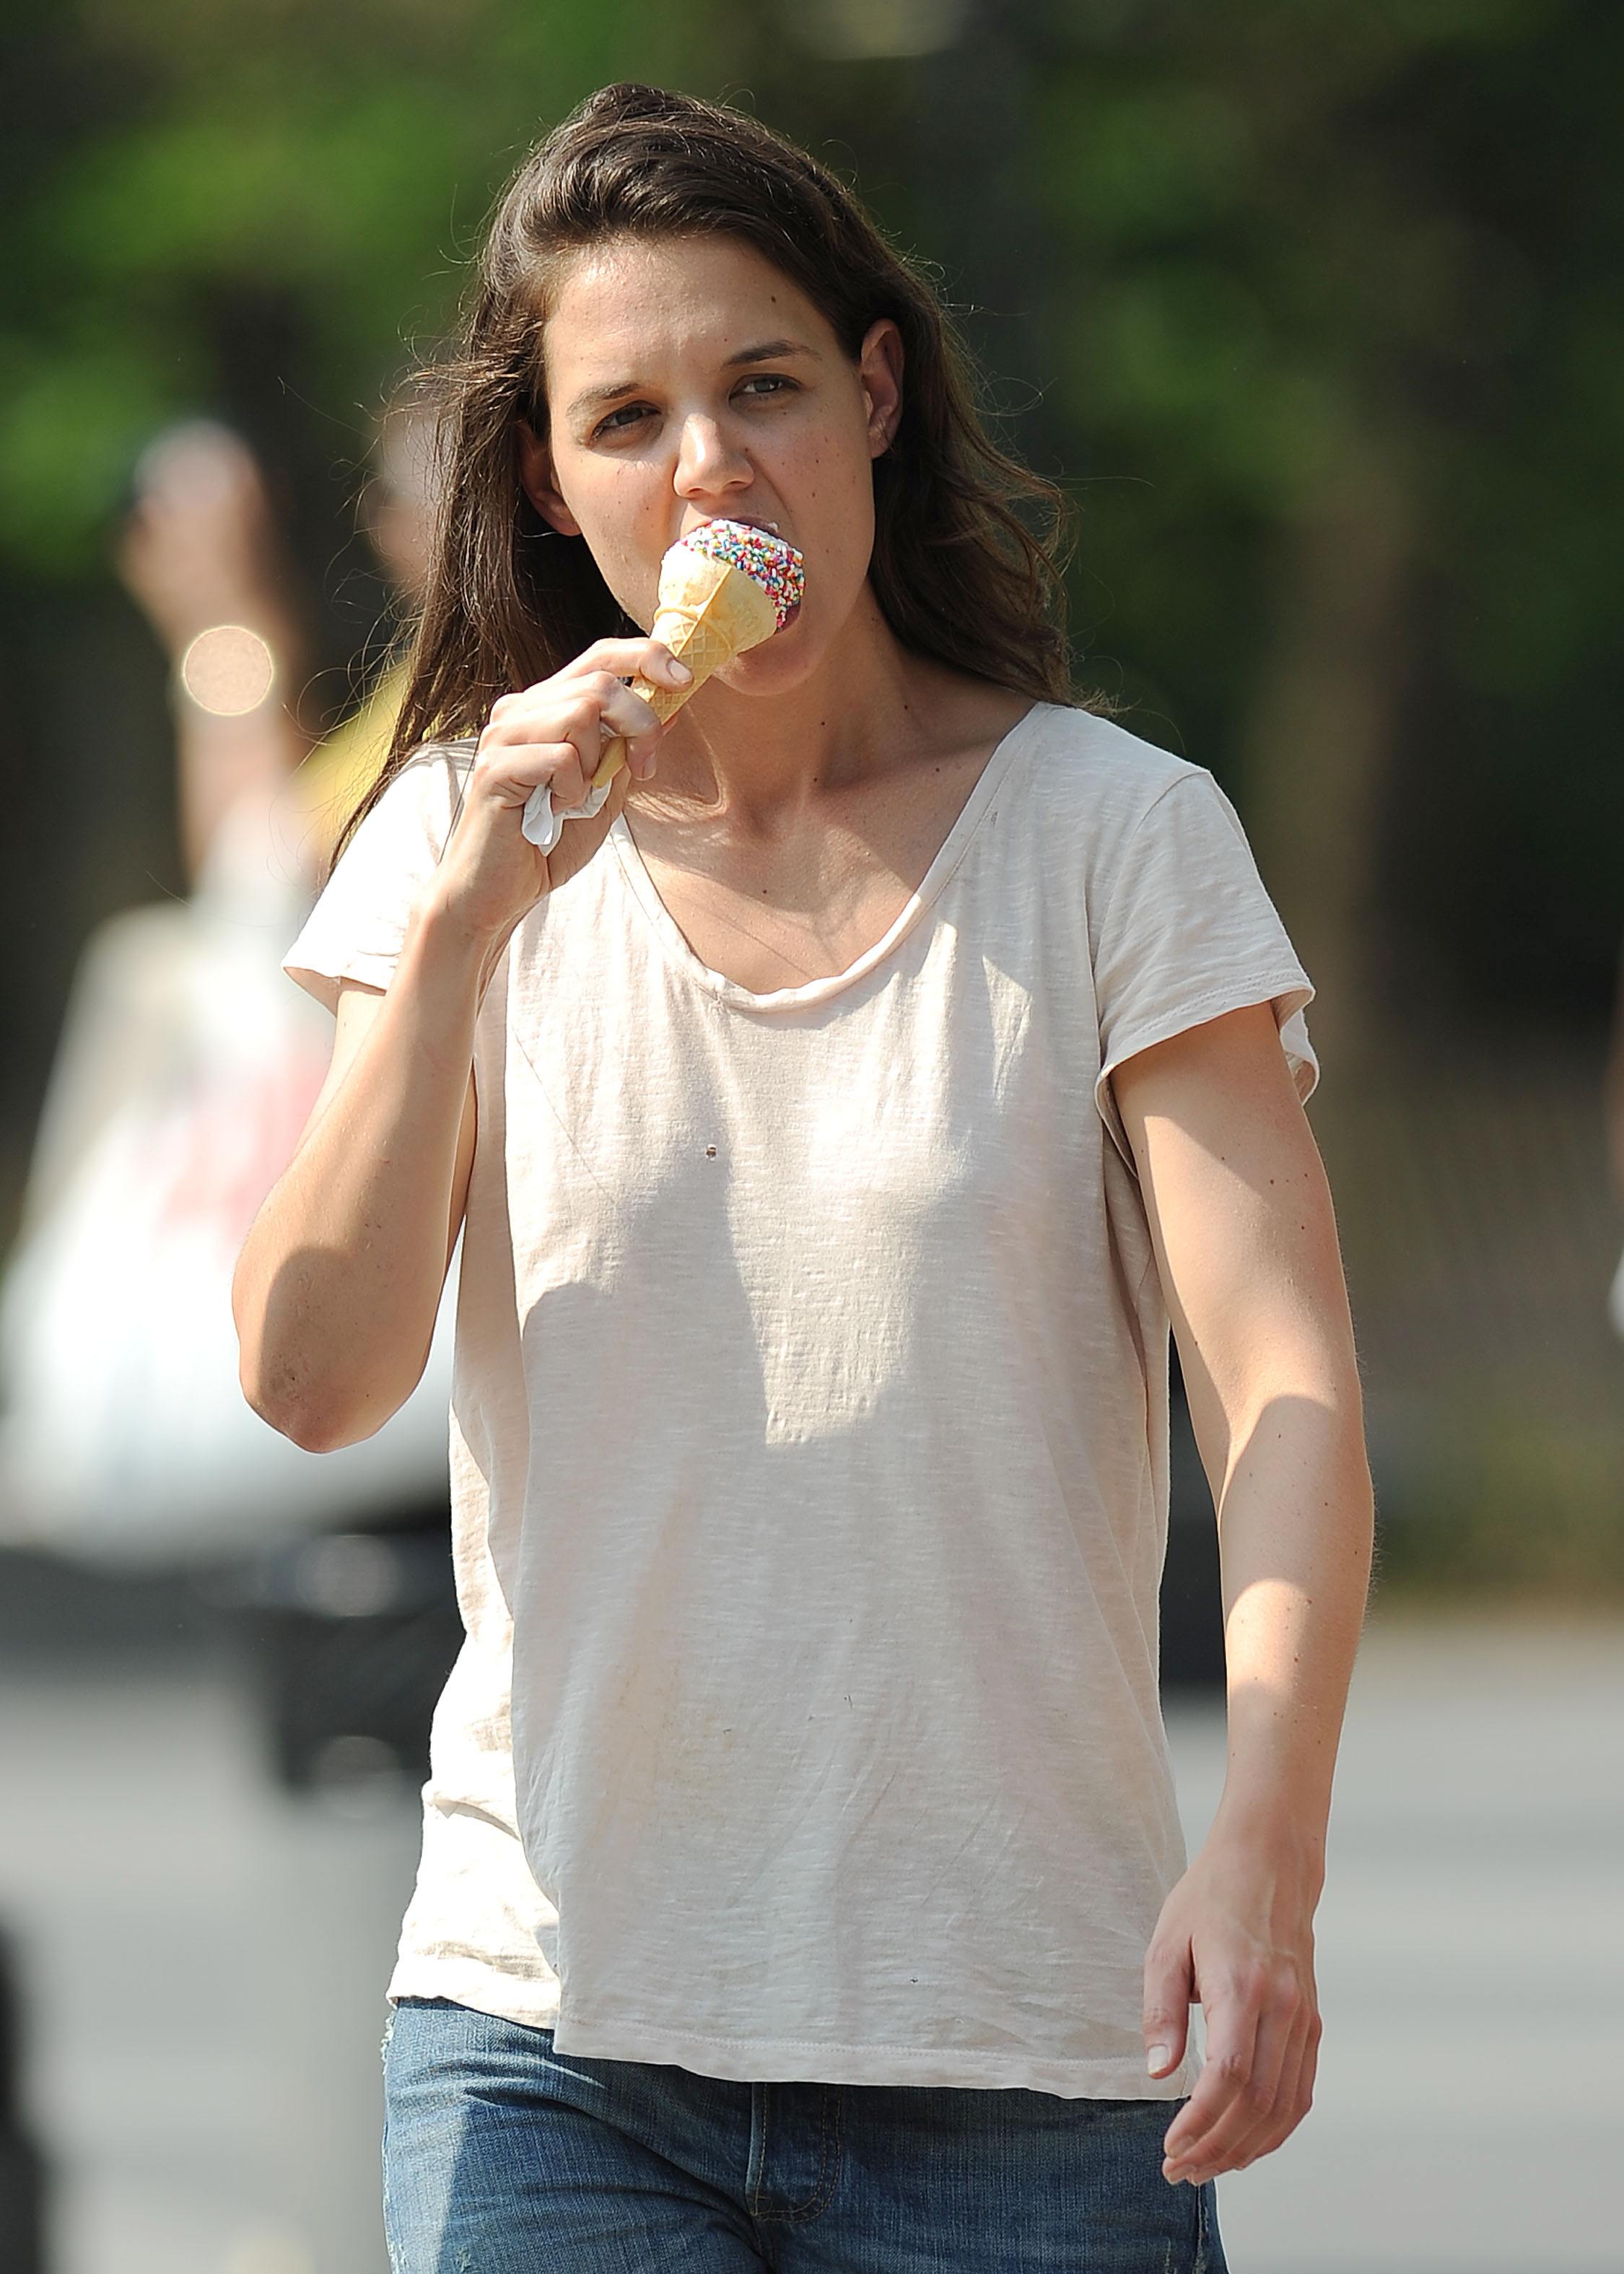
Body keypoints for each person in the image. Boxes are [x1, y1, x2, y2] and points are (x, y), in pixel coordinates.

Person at [232, 82, 1374, 2273]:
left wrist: (1268, 1844)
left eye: (761, 387)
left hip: (1028, 2051)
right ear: (549, 484)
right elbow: (309, 1380)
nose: (708, 469)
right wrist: (460, 929)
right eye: (627, 419)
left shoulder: (1113, 840)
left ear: (875, 397)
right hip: (549, 2033)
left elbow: (1283, 1386)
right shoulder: (464, 839)